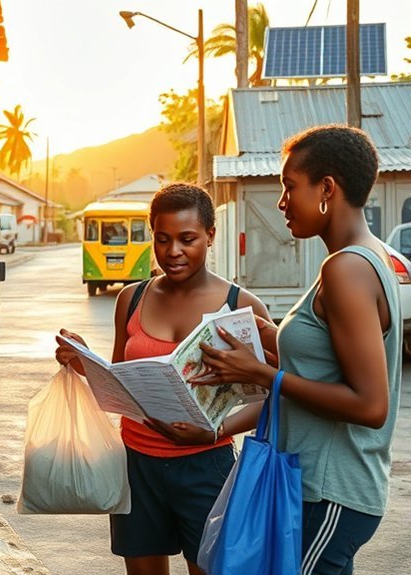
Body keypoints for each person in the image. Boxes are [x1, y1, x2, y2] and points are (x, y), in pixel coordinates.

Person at [195, 125, 401, 574]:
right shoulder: (367, 256)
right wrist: (269, 338)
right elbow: (329, 356)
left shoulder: (346, 268)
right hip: (314, 488)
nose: (282, 202)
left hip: (329, 492)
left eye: (290, 186)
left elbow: (371, 405)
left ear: (327, 188)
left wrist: (262, 372)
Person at [54, 183, 272, 575]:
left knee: (208, 568)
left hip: (207, 466)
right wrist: (84, 359)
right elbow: (121, 381)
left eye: (187, 239)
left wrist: (214, 431)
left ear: (210, 235)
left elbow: (272, 392)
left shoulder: (241, 307)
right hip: (136, 466)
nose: (173, 252)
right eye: (162, 239)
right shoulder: (131, 299)